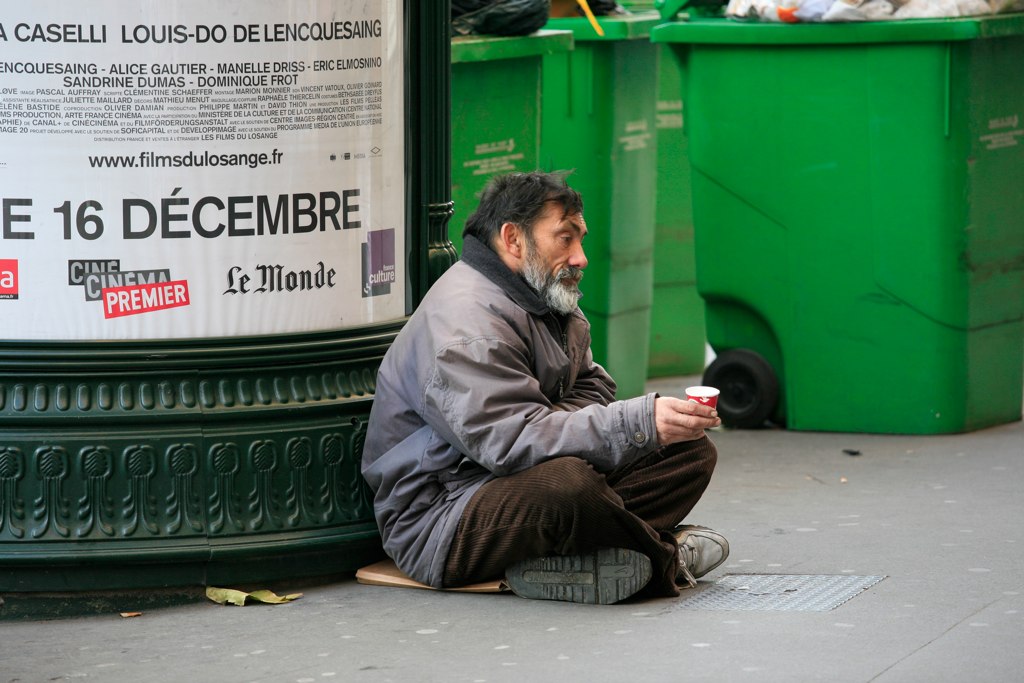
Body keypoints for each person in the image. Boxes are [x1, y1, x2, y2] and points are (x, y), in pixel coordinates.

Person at [362, 171, 728, 604]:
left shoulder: (542, 296)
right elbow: (512, 442)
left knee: (687, 451)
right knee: (568, 485)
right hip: (442, 518)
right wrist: (634, 421)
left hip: (515, 477)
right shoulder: (468, 324)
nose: (580, 258)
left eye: (581, 239)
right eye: (565, 238)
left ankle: (569, 559)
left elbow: (592, 383)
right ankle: (663, 558)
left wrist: (562, 424)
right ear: (513, 239)